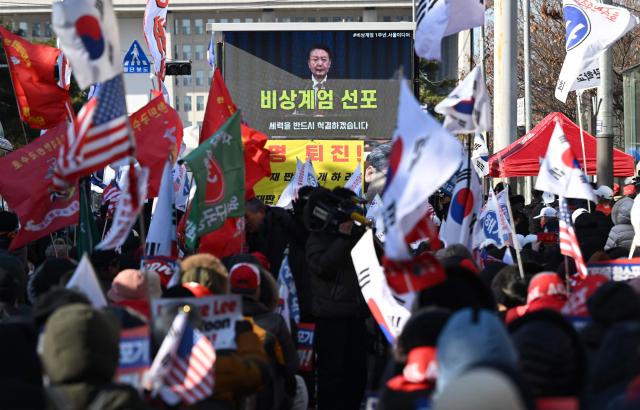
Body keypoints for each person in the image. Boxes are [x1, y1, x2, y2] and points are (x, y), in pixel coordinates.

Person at [305, 186, 369, 410]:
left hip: (357, 315)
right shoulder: (318, 237)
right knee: (332, 376)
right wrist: (342, 239)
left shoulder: (357, 234)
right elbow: (323, 268)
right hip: (331, 317)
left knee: (358, 374)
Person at [245, 197, 301, 276]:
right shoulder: (249, 233)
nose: (245, 222)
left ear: (261, 212)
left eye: (246, 217)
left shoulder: (281, 223)